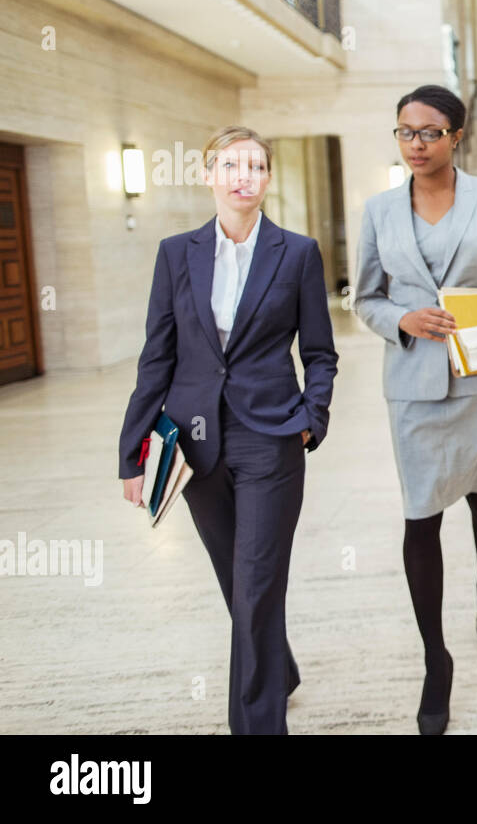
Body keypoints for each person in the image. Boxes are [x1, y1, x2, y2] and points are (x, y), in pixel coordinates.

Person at [118, 125, 337, 735]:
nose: (244, 176)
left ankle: (258, 725)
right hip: (195, 443)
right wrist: (131, 453)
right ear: (208, 174)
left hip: (272, 439)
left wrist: (309, 419)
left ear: (268, 178)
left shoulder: (295, 253)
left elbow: (320, 351)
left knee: (258, 583)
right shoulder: (175, 253)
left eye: (256, 166)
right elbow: (156, 356)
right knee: (237, 581)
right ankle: (280, 668)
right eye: (230, 165)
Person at [354, 84, 477, 735]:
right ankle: (436, 657)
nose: (416, 144)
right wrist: (403, 317)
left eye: (429, 132)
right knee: (420, 515)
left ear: (457, 136)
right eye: (404, 131)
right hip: (413, 388)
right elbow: (365, 297)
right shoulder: (378, 211)